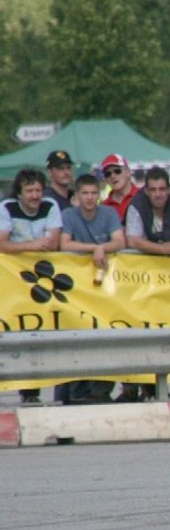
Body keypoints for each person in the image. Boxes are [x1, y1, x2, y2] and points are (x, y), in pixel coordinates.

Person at [58, 174, 128, 403]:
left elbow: (120, 241)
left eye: (93, 193)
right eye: (85, 193)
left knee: (105, 338)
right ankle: (74, 392)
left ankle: (100, 390)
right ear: (77, 196)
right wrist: (96, 248)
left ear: (100, 194)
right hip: (75, 289)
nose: (89, 198)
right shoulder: (68, 215)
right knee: (75, 338)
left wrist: (102, 248)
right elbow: (64, 244)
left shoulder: (108, 213)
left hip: (104, 287)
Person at [1, 169, 63, 403]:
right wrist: (35, 245)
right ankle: (26, 389)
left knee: (41, 332)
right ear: (19, 193)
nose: (35, 196)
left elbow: (53, 242)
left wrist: (27, 246)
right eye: (30, 191)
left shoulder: (50, 206)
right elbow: (2, 244)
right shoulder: (7, 208)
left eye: (38, 190)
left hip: (44, 279)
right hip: (12, 279)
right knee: (18, 332)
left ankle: (35, 388)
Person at [100, 153, 139, 222]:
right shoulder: (103, 207)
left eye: (117, 171)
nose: (113, 176)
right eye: (108, 174)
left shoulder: (142, 196)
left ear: (128, 172)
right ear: (105, 179)